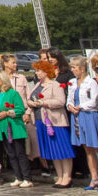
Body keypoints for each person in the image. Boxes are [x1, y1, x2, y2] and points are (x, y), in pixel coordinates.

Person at [31, 55, 73, 186]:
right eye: (36, 71)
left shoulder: (55, 85)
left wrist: (43, 102)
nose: (37, 73)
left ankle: (67, 176)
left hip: (55, 121)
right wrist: (30, 102)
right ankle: (59, 176)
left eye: (39, 70)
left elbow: (61, 101)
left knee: (62, 148)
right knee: (52, 149)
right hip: (41, 119)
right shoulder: (38, 84)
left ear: (45, 71)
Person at [0, 59, 31, 186]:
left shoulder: (13, 93)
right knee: (11, 154)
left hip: (14, 126)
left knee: (20, 153)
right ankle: (18, 176)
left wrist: (7, 113)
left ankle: (27, 178)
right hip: (3, 127)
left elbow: (19, 109)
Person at [72, 56, 98, 190]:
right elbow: (70, 98)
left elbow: (94, 100)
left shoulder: (91, 82)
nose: (73, 70)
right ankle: (94, 178)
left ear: (82, 69)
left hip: (90, 115)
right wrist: (70, 105)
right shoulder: (73, 82)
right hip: (77, 116)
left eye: (74, 67)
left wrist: (81, 106)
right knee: (87, 149)